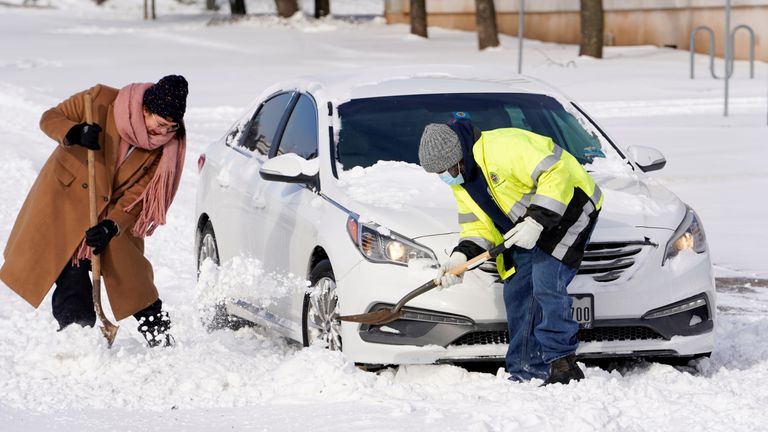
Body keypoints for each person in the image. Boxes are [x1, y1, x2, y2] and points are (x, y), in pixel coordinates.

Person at [0, 75, 189, 348]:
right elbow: (50, 118)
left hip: (112, 214)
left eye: (171, 127)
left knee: (131, 276)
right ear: (145, 110)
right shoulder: (99, 100)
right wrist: (73, 132)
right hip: (68, 202)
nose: (165, 133)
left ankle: (159, 334)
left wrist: (112, 225)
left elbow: (140, 195)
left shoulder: (164, 147)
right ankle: (78, 338)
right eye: (160, 124)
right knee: (71, 271)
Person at [418, 119, 602, 385]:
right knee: (517, 290)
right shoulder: (462, 183)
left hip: (570, 206)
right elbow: (476, 226)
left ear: (457, 156)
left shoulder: (503, 147)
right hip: (527, 226)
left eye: (444, 170)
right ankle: (525, 367)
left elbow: (556, 171)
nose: (444, 177)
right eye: (437, 174)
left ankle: (563, 364)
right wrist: (461, 258)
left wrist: (536, 221)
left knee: (546, 281)